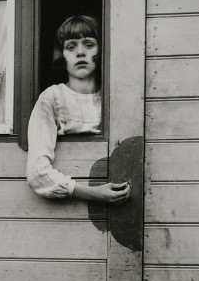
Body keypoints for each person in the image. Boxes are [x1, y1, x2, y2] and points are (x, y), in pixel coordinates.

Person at [26, 15, 130, 204]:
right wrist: (92, 193)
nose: (80, 53)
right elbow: (36, 172)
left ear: (101, 50)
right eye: (71, 47)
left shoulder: (116, 97)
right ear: (62, 54)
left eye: (89, 45)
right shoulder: (52, 98)